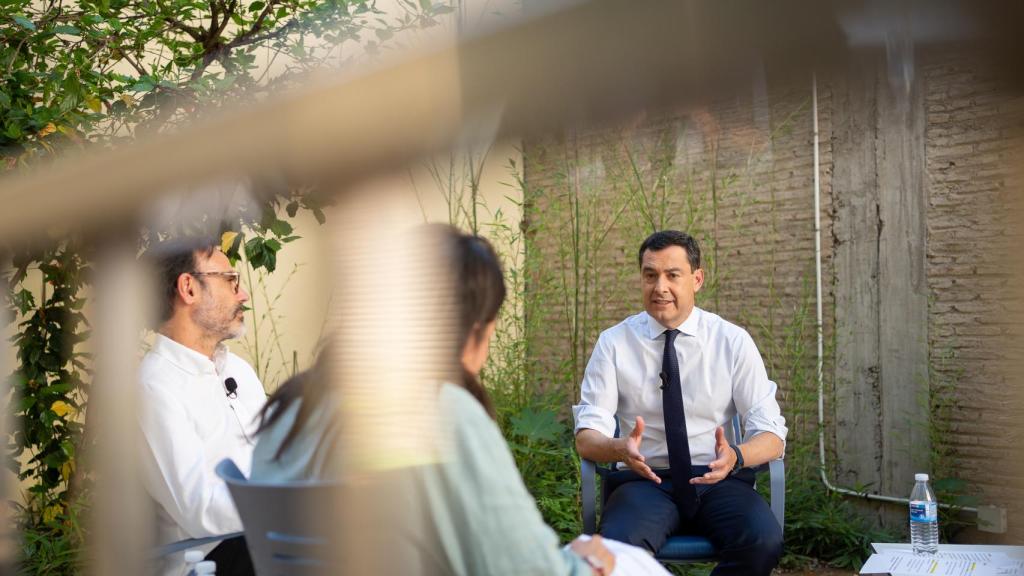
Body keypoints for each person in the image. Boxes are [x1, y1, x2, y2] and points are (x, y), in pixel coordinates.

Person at [250, 225, 669, 576]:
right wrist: (584, 563)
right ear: (470, 330)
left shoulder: (288, 409)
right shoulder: (442, 413)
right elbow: (522, 570)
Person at [573, 230, 788, 576]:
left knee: (761, 541)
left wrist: (736, 456)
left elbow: (772, 436)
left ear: (697, 279)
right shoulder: (613, 344)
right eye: (650, 275)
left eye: (673, 275)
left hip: (717, 481)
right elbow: (586, 438)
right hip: (645, 483)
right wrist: (618, 448)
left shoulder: (732, 341)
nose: (660, 287)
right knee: (619, 551)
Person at [139, 238, 264, 576]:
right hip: (211, 560)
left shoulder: (239, 370)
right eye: (230, 280)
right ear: (188, 288)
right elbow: (203, 512)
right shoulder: (153, 388)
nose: (243, 295)